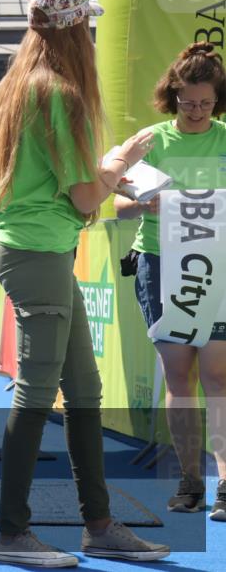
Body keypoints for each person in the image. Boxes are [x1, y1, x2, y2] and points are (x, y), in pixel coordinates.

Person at [0, 0, 170, 566]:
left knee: (83, 393)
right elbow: (81, 200)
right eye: (88, 26)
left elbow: (67, 189)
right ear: (77, 29)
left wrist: (106, 179)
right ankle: (13, 533)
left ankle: (97, 524)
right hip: (40, 255)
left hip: (37, 253)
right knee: (38, 394)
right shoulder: (59, 93)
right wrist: (122, 165)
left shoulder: (22, 85)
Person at [114, 42, 226, 522]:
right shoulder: (152, 139)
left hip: (217, 264)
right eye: (188, 103)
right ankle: (188, 480)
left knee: (219, 377)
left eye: (206, 103)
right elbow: (116, 203)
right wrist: (143, 203)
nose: (197, 112)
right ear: (172, 96)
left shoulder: (224, 138)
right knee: (180, 377)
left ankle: (225, 484)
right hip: (161, 262)